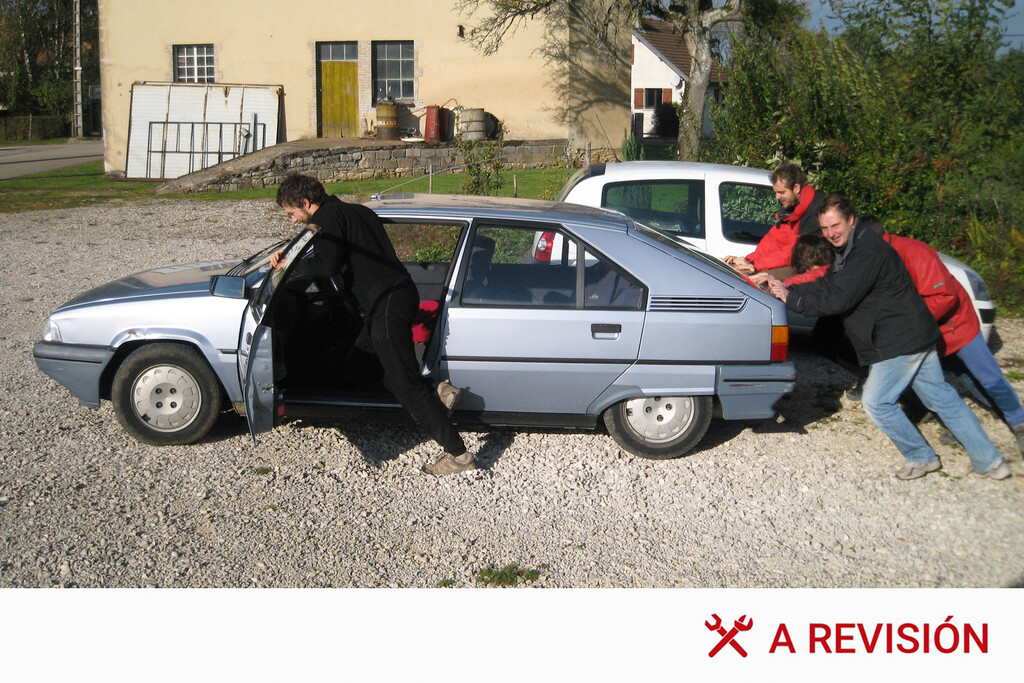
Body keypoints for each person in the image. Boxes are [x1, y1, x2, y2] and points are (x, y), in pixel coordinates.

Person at [767, 194, 1009, 481]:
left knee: (877, 402)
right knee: (943, 398)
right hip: (917, 333)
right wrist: (789, 289)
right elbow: (830, 281)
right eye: (825, 228)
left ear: (851, 220)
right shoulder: (852, 248)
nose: (830, 233)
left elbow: (838, 299)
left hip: (898, 340)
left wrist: (791, 300)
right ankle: (990, 461)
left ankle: (920, 456)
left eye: (835, 225)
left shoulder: (865, 253)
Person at [271, 173, 475, 476]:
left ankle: (458, 454)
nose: (292, 220)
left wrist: (288, 263)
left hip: (386, 303)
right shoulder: (358, 211)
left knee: (405, 384)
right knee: (359, 364)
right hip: (397, 295)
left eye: (292, 213)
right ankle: (437, 390)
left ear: (305, 202)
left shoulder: (326, 218)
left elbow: (325, 265)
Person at [858, 215, 1024, 457]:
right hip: (925, 333)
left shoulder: (914, 252)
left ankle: (1018, 422)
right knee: (946, 384)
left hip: (955, 326)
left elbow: (944, 297)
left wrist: (904, 323)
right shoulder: (873, 257)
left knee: (988, 378)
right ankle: (962, 427)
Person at [723, 162, 823, 279]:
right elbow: (774, 241)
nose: (777, 197)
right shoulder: (792, 209)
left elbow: (795, 252)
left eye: (781, 192)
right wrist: (748, 260)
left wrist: (756, 265)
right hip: (799, 264)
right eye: (776, 192)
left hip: (817, 274)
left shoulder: (819, 212)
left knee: (763, 279)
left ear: (796, 188)